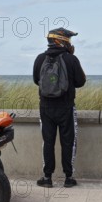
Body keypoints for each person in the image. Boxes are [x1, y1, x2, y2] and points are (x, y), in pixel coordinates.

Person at [33, 27, 86, 188]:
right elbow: (80, 82)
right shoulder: (71, 59)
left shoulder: (40, 59)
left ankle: (47, 178)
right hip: (66, 107)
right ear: (60, 40)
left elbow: (37, 80)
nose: (70, 42)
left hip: (46, 107)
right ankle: (68, 178)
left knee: (47, 142)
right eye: (68, 39)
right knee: (68, 142)